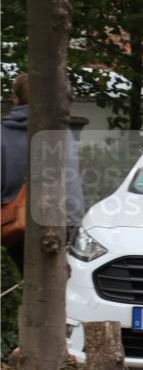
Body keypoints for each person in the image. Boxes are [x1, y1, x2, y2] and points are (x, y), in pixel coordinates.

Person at [1, 72, 84, 273]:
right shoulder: (59, 132)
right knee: (51, 285)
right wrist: (74, 225)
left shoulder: (2, 132)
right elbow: (70, 184)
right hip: (53, 224)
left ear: (16, 98)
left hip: (13, 225)